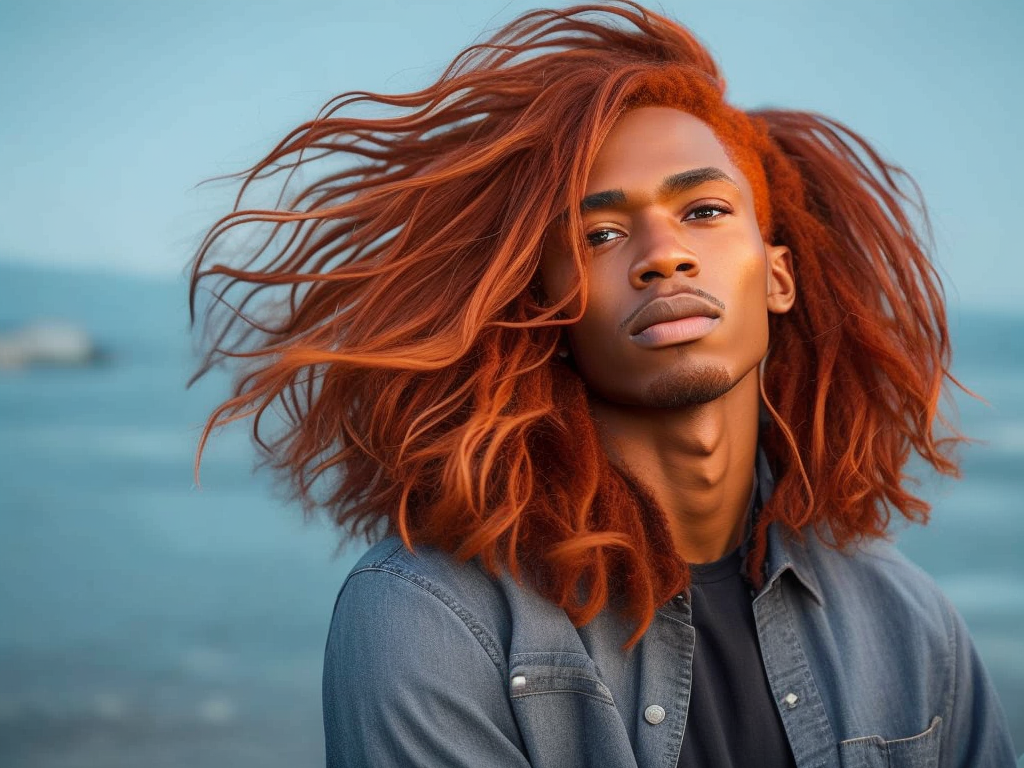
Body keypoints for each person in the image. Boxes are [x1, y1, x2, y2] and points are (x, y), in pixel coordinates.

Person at [189, 2, 1017, 765]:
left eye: (704, 212)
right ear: (548, 305)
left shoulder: (910, 630)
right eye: (601, 231)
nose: (663, 253)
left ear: (778, 278)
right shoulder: (431, 619)